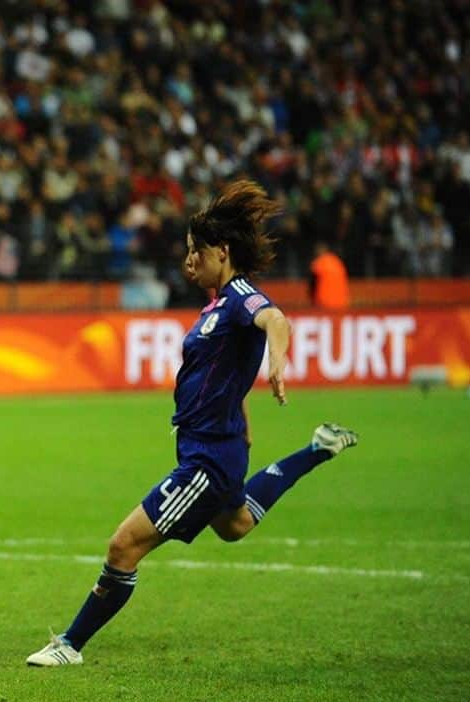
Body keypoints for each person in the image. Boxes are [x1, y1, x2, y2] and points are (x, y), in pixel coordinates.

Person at [26, 180, 359, 667]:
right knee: (236, 523)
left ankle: (70, 645)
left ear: (221, 253)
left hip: (207, 460)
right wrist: (241, 410)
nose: (188, 262)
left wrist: (277, 364)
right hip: (214, 446)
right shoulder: (217, 305)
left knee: (123, 545)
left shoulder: (242, 297)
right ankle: (318, 448)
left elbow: (276, 321)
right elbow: (224, 369)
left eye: (195, 253)